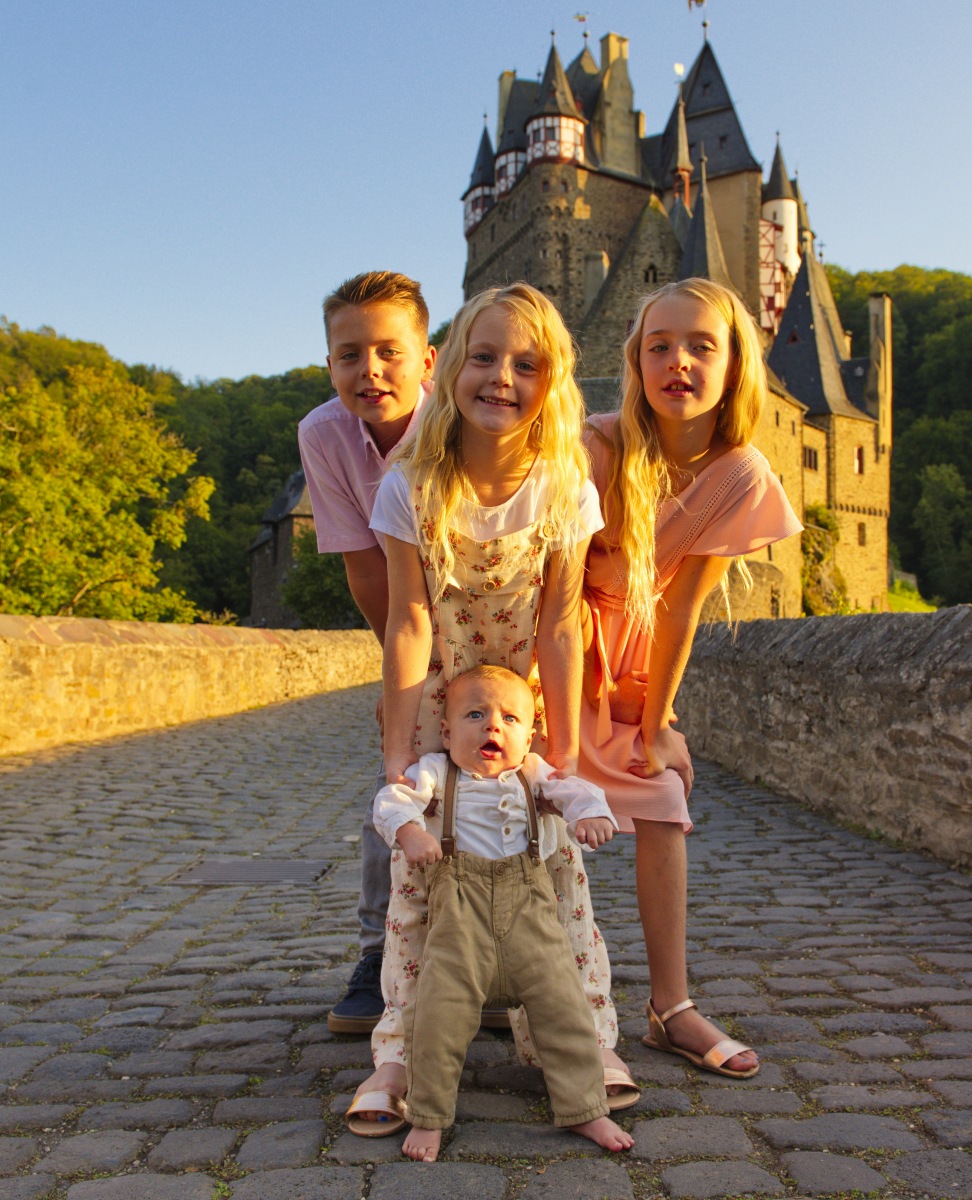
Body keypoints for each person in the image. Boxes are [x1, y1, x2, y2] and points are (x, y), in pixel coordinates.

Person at [345, 282, 639, 1137]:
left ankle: (580, 1042)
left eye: (527, 364)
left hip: (520, 708)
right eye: (484, 357)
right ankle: (399, 1055)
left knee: (555, 874)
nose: (502, 377)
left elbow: (560, 623)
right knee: (421, 882)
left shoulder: (564, 488)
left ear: (554, 381)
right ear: (452, 370)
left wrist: (566, 747)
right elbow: (407, 619)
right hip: (442, 701)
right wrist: (398, 751)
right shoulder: (410, 486)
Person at [579, 278, 802, 1079]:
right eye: (660, 346)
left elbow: (679, 609)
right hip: (555, 651)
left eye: (701, 346)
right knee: (527, 800)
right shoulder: (597, 447)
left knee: (664, 796)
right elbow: (550, 588)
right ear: (636, 362)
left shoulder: (740, 473)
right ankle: (536, 994)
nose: (679, 361)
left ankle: (670, 1009)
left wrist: (656, 721)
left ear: (735, 364)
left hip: (632, 659)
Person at [371, 665, 634, 1159]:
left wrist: (590, 813)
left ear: (529, 735)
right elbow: (393, 798)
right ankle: (429, 1116)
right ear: (447, 731)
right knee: (437, 1015)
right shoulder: (436, 771)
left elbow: (573, 789)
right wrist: (410, 831)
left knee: (565, 1009)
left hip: (531, 913)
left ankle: (585, 1108)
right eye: (475, 715)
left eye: (510, 718)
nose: (493, 725)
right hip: (459, 918)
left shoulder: (532, 772)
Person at [297, 271, 436, 1034]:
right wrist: (399, 677)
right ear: (330, 366)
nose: (370, 370)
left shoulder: (462, 419)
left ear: (428, 359)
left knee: (503, 790)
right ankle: (380, 957)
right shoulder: (324, 435)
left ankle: (498, 963)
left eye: (389, 351)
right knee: (400, 783)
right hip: (408, 622)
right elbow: (364, 565)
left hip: (491, 618)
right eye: (349, 355)